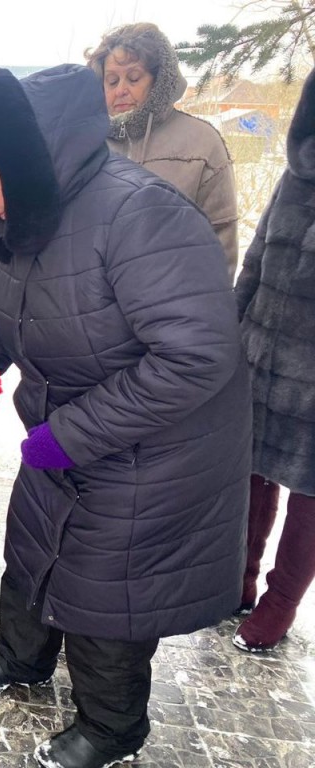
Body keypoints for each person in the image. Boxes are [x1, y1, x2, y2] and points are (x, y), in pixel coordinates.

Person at [0, 65, 250, 768]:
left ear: (22, 165)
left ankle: (113, 728)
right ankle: (20, 660)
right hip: (70, 432)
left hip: (155, 449)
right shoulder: (29, 219)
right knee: (32, 546)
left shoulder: (137, 214)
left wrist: (73, 434)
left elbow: (199, 357)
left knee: (104, 592)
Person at [231, 67, 315, 654]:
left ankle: (281, 600)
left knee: (311, 489)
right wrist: (231, 334)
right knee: (252, 470)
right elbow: (256, 260)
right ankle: (239, 575)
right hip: (263, 353)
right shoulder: (295, 175)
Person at [85, 22, 239, 279]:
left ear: (159, 80)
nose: (121, 89)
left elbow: (221, 240)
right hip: (98, 312)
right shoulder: (87, 144)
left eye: (134, 78)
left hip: (177, 308)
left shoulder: (201, 142)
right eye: (112, 81)